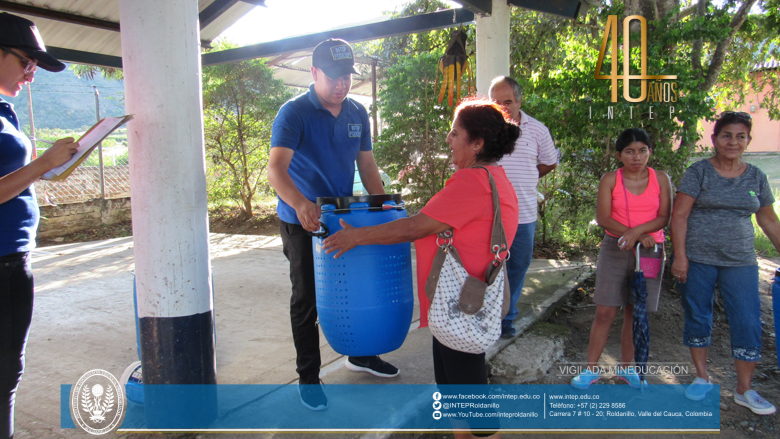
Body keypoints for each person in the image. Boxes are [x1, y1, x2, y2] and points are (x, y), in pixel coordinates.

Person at [323, 98, 520, 439]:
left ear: (477, 143)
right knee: (455, 395)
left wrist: (356, 237)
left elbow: (413, 227)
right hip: (457, 307)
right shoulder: (494, 177)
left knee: (478, 416)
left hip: (461, 307)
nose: (449, 139)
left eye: (454, 133)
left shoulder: (472, 182)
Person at [267, 38, 398, 411]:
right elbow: (276, 169)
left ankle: (362, 355)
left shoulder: (357, 112)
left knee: (359, 290)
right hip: (301, 220)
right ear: (314, 73)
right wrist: (300, 203)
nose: (342, 84)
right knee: (307, 298)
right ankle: (308, 377)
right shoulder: (293, 113)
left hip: (345, 218)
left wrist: (381, 207)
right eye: (335, 76)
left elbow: (368, 166)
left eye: (347, 76)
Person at [0, 12, 79, 439]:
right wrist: (42, 164)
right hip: (2, 263)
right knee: (3, 375)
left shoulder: (4, 111)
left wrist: (46, 169)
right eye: (26, 61)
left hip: (12, 261)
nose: (31, 74)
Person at [671, 111, 780, 415]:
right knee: (699, 315)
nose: (733, 141)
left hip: (741, 261)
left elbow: (769, 219)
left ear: (748, 140)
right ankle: (702, 377)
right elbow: (679, 215)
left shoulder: (756, 176)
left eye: (740, 136)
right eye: (726, 135)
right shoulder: (699, 172)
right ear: (715, 139)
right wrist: (680, 257)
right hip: (698, 259)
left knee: (747, 320)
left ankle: (745, 389)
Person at [571, 128, 672, 390]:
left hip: (651, 250)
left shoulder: (661, 179)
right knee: (605, 310)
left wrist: (638, 233)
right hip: (615, 247)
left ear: (650, 152)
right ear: (619, 155)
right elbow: (604, 218)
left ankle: (627, 369)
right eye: (629, 151)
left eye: (642, 150)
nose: (636, 156)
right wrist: (634, 236)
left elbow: (664, 217)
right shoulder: (610, 179)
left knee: (634, 310)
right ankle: (590, 370)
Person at [488, 76, 558, 338]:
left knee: (517, 267)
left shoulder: (537, 130)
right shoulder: (482, 130)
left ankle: (506, 317)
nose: (503, 107)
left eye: (508, 101)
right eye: (496, 102)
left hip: (524, 215)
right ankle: (487, 314)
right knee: (488, 268)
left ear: (519, 100)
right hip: (489, 216)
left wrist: (528, 175)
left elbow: (550, 162)